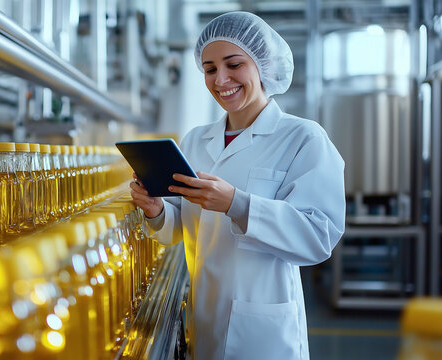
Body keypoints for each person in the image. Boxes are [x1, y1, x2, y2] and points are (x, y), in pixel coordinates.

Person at [129, 11, 345, 360]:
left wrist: (237, 205)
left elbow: (319, 237)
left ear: (263, 64)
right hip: (204, 318)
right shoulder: (196, 141)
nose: (221, 79)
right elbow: (181, 230)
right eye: (210, 69)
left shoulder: (303, 138)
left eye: (233, 64)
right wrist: (157, 212)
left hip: (264, 330)